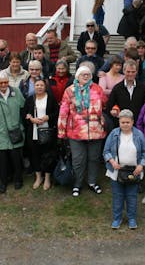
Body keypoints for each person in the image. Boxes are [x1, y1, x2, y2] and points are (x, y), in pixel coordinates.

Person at [58, 66, 107, 197]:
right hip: (76, 132)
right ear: (77, 76)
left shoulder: (97, 89)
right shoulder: (70, 91)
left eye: (88, 74)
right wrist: (61, 131)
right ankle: (77, 183)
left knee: (94, 158)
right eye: (83, 74)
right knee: (78, 160)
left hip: (95, 131)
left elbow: (105, 104)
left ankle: (92, 182)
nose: (86, 76)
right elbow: (63, 112)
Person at [103, 109, 145, 230]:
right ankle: (117, 218)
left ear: (132, 122)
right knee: (117, 196)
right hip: (116, 172)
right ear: (119, 122)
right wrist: (112, 162)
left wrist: (141, 165)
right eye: (123, 122)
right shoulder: (114, 134)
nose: (125, 125)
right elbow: (106, 151)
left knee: (131, 196)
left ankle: (132, 218)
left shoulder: (139, 135)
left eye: (128, 122)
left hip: (134, 172)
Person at [0, 70, 26, 194]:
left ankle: (18, 179)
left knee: (16, 158)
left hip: (15, 131)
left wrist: (21, 126)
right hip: (0, 133)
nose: (3, 85)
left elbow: (23, 108)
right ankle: (3, 181)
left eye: (5, 82)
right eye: (0, 83)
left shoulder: (16, 92)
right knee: (2, 160)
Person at [24, 79, 60, 190]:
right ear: (34, 87)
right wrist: (31, 119)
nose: (39, 87)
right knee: (35, 154)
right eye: (37, 85)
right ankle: (38, 177)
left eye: (41, 85)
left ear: (45, 87)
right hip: (34, 132)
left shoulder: (50, 98)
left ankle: (48, 178)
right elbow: (25, 114)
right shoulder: (30, 99)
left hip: (47, 132)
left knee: (48, 154)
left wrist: (48, 117)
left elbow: (57, 112)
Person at [107, 59, 145, 126]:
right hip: (122, 125)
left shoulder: (143, 87)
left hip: (139, 124)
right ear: (123, 71)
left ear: (137, 72)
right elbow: (110, 107)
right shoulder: (117, 88)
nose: (130, 74)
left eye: (133, 72)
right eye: (128, 72)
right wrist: (113, 111)